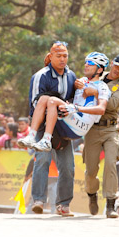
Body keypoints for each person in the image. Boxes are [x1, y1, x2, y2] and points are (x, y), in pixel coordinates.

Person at [22, 41, 77, 216]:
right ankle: (38, 200)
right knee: (42, 161)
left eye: (65, 56)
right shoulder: (41, 75)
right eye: (58, 56)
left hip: (63, 127)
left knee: (68, 166)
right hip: (43, 125)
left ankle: (64, 204)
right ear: (50, 56)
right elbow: (37, 103)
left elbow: (74, 102)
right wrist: (57, 105)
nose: (62, 59)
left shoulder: (72, 76)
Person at [19, 52, 111, 153]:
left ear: (99, 69)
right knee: (44, 98)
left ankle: (46, 140)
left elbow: (101, 109)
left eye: (90, 63)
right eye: (86, 62)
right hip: (73, 116)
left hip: (82, 125)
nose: (86, 65)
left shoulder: (102, 86)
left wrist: (76, 108)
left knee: (52, 100)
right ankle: (31, 136)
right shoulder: (81, 81)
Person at [82, 53, 119, 218]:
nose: (118, 70)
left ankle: (111, 205)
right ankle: (91, 194)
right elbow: (81, 92)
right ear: (111, 64)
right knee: (91, 169)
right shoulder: (95, 75)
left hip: (110, 129)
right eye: (116, 66)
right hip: (92, 129)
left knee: (111, 164)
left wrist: (95, 93)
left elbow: (112, 105)